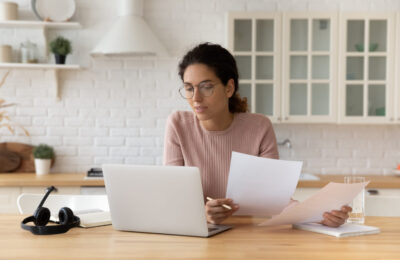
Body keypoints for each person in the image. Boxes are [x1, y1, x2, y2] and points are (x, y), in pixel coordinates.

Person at [163, 42, 351, 227]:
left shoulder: (259, 127)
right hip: (198, 237)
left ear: (229, 88)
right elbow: (172, 197)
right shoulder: (178, 125)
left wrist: (320, 216)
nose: (195, 98)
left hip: (247, 237)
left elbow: (276, 199)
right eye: (189, 88)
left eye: (206, 87)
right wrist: (202, 213)